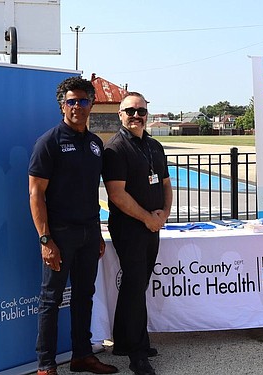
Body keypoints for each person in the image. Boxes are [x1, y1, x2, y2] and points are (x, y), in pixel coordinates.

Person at [29, 76, 118, 375]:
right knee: (50, 301)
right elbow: (35, 194)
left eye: (83, 100)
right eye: (71, 101)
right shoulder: (49, 142)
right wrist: (45, 240)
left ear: (91, 103)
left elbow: (92, 191)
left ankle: (82, 356)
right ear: (62, 106)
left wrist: (97, 235)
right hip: (59, 237)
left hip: (88, 234)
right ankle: (46, 365)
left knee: (84, 296)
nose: (77, 106)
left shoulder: (94, 144)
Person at [103, 92, 172, 375]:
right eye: (129, 111)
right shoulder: (116, 149)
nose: (136, 116)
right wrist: (147, 219)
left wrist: (164, 214)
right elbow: (117, 195)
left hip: (152, 225)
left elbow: (166, 184)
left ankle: (123, 340)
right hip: (130, 227)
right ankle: (137, 353)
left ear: (147, 114)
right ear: (120, 114)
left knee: (137, 285)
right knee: (134, 287)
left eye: (141, 111)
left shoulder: (154, 146)